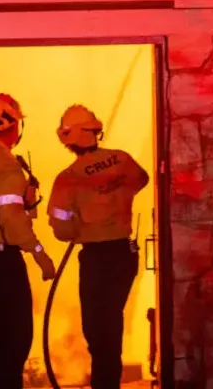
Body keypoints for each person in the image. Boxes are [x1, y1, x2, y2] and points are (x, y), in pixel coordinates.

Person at [47, 105, 150, 389]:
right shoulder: (121, 158)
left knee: (97, 328)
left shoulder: (68, 178)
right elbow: (142, 180)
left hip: (96, 258)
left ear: (70, 138)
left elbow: (60, 228)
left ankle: (104, 384)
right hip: (125, 253)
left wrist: (80, 225)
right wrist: (116, 197)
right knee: (112, 321)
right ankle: (108, 382)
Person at [0, 93, 57, 389]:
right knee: (13, 342)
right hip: (2, 264)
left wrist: (25, 202)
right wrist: (41, 256)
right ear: (12, 124)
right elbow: (10, 218)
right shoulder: (4, 162)